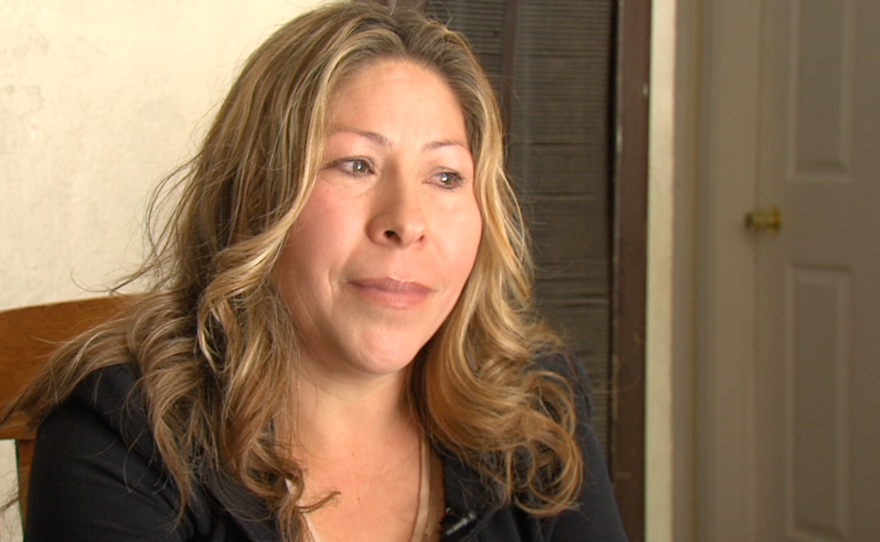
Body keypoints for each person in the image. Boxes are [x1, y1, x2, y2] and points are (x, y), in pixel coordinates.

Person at [4, 2, 628, 541]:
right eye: (356, 165)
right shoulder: (124, 430)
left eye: (445, 176)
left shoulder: (537, 403)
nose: (406, 222)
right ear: (255, 196)